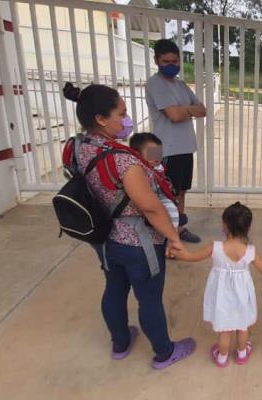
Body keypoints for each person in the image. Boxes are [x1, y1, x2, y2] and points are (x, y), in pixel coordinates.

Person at [61, 82, 196, 370]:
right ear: (101, 119)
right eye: (121, 113)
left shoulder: (78, 147)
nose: (126, 119)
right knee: (149, 298)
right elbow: (149, 207)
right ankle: (164, 352)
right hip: (137, 242)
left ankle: (120, 343)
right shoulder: (122, 160)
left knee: (114, 288)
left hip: (104, 238)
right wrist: (173, 237)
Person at [173, 202, 262, 368]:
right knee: (242, 325)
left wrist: (177, 252)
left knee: (225, 329)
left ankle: (222, 357)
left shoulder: (215, 247)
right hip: (242, 293)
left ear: (225, 225)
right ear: (248, 226)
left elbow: (191, 257)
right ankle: (242, 353)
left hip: (221, 294)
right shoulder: (250, 251)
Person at [146, 39, 206, 243]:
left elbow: (203, 109)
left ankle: (179, 228)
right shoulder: (155, 84)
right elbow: (174, 115)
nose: (172, 65)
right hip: (164, 149)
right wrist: (188, 109)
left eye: (175, 61)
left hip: (184, 147)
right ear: (156, 60)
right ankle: (166, 235)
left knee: (181, 190)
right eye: (166, 61)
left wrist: (185, 109)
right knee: (164, 193)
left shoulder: (180, 85)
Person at [129, 133, 179, 232]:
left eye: (158, 153)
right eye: (151, 153)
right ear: (137, 154)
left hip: (160, 198)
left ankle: (171, 233)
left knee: (171, 211)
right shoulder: (136, 170)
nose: (156, 157)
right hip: (145, 203)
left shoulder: (159, 167)